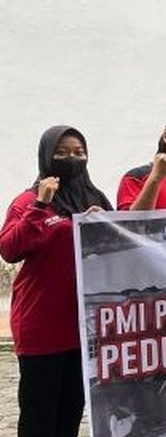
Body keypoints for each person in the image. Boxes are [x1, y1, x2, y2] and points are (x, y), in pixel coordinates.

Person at [1, 126, 113, 437]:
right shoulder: (28, 200)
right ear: (46, 156)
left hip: (84, 327)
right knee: (39, 416)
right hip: (42, 326)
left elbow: (117, 248)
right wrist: (40, 205)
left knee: (70, 412)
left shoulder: (95, 198)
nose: (72, 159)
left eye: (79, 152)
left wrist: (104, 223)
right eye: (61, 153)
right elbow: (10, 250)